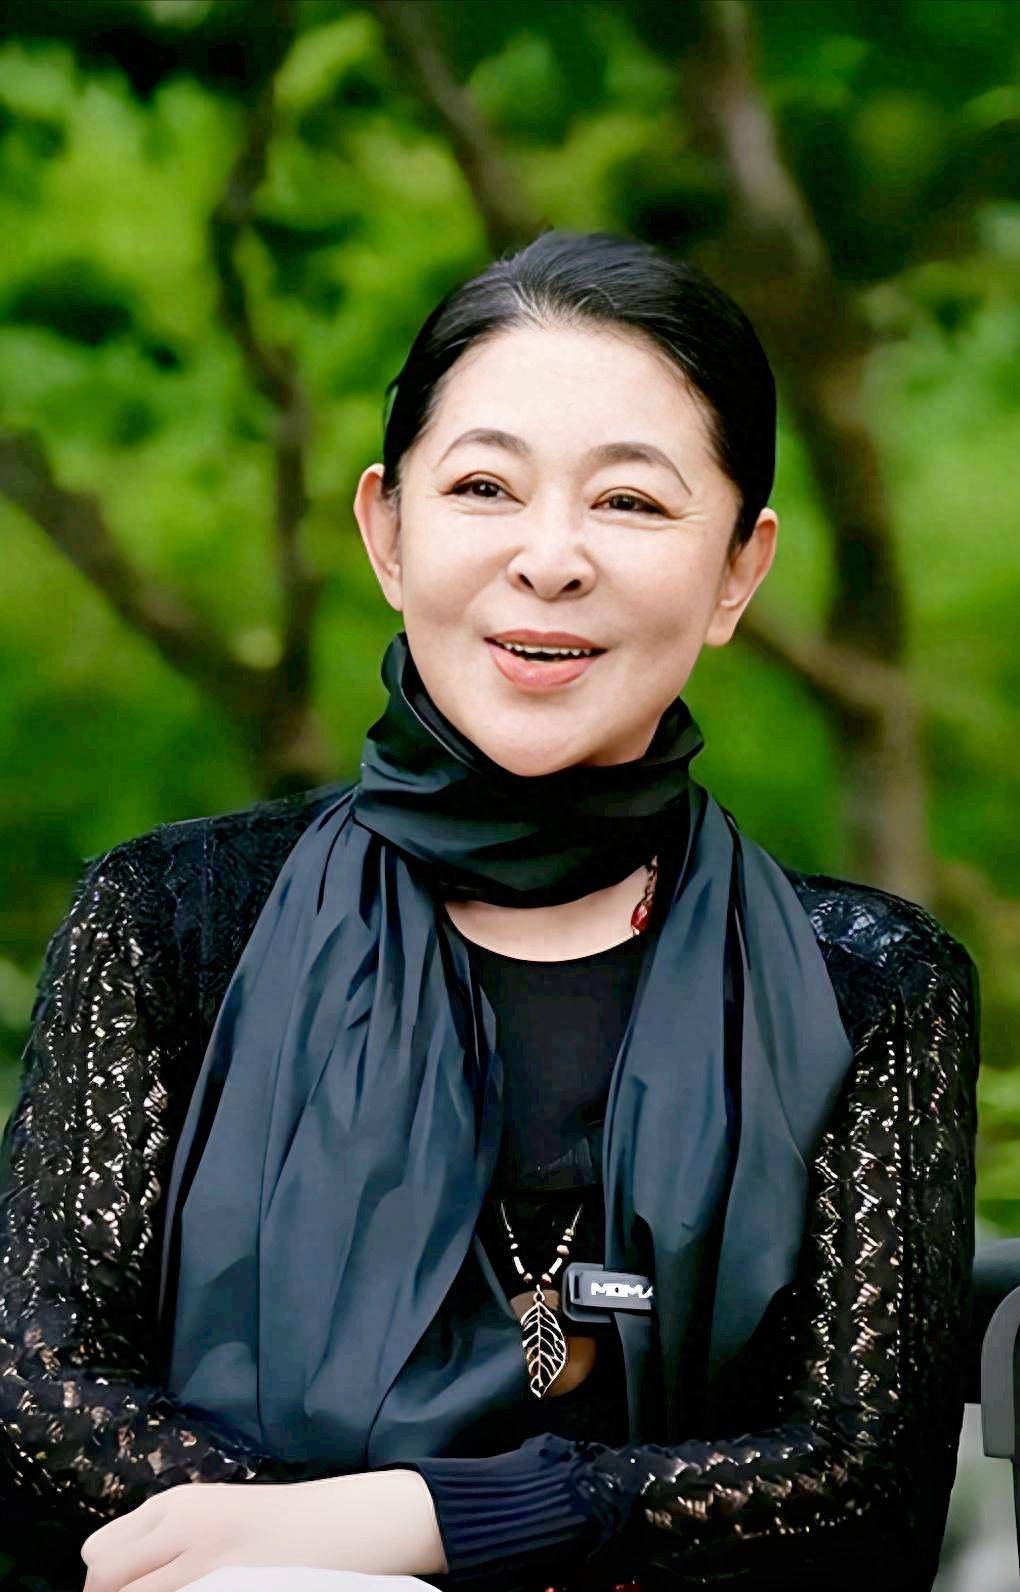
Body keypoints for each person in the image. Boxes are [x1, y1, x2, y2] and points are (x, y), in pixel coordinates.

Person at [0, 230, 980, 1592]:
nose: (551, 558)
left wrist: (433, 1522)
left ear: (737, 574)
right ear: (388, 534)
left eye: (629, 501)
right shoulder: (174, 919)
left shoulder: (864, 980)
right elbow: (37, 1404)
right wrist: (305, 1560)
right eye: (483, 487)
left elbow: (862, 1486)